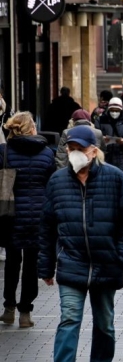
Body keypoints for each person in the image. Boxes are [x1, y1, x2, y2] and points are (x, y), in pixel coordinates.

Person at [37, 125, 123, 362]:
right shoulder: (58, 181)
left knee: (104, 324)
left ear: (94, 151)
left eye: (80, 149)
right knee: (69, 319)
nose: (74, 153)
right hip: (71, 263)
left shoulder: (116, 179)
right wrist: (46, 265)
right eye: (71, 148)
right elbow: (47, 226)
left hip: (107, 264)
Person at [0, 112, 55, 328]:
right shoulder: (47, 153)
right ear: (32, 128)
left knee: (12, 263)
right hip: (38, 216)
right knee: (32, 264)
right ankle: (25, 313)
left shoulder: (4, 152)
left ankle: (8, 308)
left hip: (11, 214)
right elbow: (52, 185)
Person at [95, 97, 123, 177]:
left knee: (121, 181)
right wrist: (102, 139)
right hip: (105, 157)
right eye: (112, 110)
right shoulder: (101, 120)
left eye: (117, 110)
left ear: (121, 110)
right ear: (108, 109)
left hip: (122, 158)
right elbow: (95, 136)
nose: (114, 113)